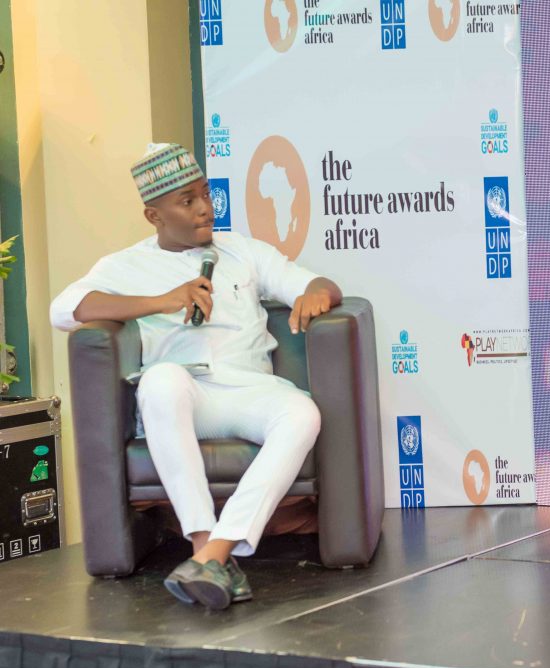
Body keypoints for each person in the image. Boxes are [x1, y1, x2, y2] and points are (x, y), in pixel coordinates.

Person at [50, 143, 343, 611]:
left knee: (302, 413)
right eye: (187, 201)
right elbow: (64, 309)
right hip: (187, 394)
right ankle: (206, 547)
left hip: (248, 390)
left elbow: (317, 283)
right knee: (159, 381)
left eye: (205, 194)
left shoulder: (243, 251)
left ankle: (213, 557)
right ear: (154, 216)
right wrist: (163, 301)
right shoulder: (127, 264)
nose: (205, 207)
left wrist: (316, 294)